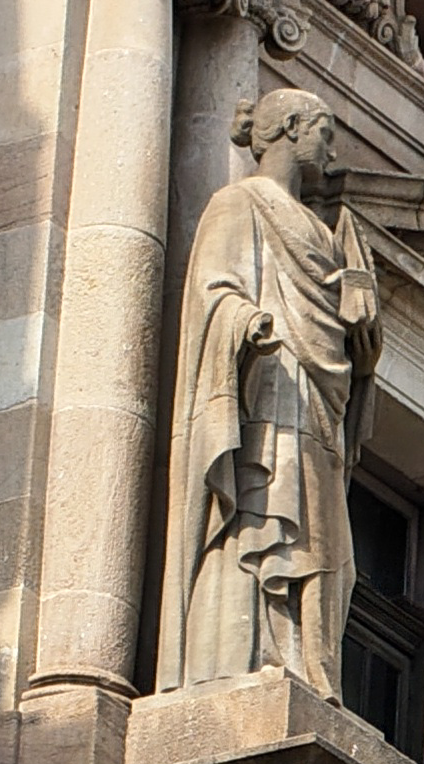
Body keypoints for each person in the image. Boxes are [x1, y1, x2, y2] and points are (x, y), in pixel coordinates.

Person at [159, 90, 381, 695]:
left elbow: (346, 343)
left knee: (324, 544)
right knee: (264, 516)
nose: (331, 149)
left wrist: (361, 326)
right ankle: (249, 651)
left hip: (313, 404)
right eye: (323, 130)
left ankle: (308, 663)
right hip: (267, 395)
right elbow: (213, 290)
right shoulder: (239, 205)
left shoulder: (323, 230)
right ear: (288, 128)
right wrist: (246, 322)